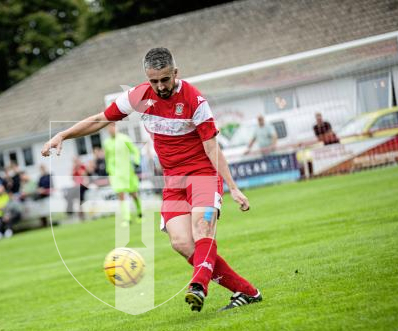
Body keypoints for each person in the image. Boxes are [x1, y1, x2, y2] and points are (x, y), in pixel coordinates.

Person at [41, 47, 261, 312]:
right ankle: (247, 292)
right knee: (181, 242)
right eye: (154, 80)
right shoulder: (139, 96)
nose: (160, 86)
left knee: (202, 229)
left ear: (175, 73)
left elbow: (212, 147)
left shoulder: (195, 100)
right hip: (173, 182)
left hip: (202, 174)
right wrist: (62, 135)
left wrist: (233, 188)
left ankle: (198, 285)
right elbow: (100, 119)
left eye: (165, 79)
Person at [103, 122, 143, 226]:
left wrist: (137, 161)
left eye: (112, 126)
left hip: (127, 171)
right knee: (121, 195)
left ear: (116, 127)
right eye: (108, 127)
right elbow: (107, 158)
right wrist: (109, 170)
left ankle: (140, 214)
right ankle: (127, 218)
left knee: (133, 194)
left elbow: (135, 151)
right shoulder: (106, 143)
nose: (110, 129)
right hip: (115, 173)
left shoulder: (124, 139)